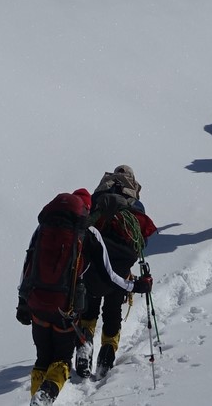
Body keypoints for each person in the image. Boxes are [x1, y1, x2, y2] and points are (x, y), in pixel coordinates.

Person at [74, 167, 158, 379]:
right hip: (120, 271)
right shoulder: (135, 207)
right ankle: (107, 353)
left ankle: (85, 343)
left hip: (93, 267)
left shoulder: (98, 200)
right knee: (113, 313)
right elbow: (141, 243)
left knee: (89, 311)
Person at [16, 192, 91, 405]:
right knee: (61, 360)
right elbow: (101, 270)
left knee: (42, 359)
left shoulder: (42, 229)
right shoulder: (85, 233)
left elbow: (28, 264)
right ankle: (45, 395)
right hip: (64, 309)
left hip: (37, 303)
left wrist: (23, 301)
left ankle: (36, 398)